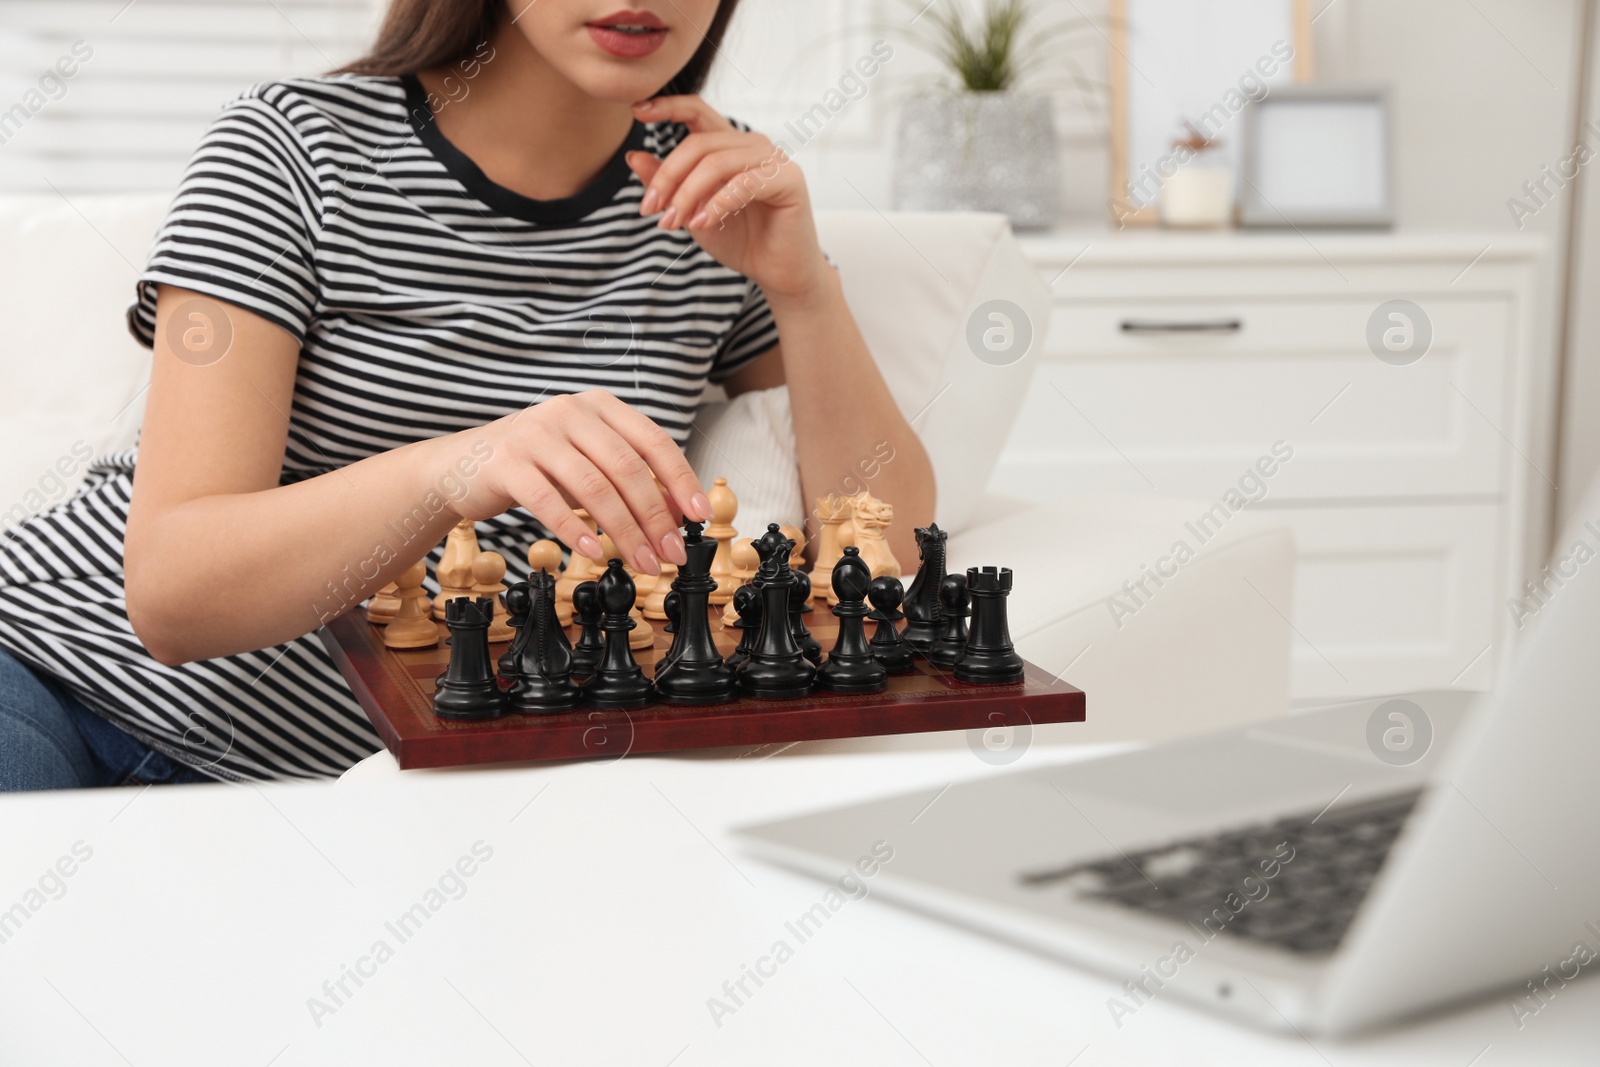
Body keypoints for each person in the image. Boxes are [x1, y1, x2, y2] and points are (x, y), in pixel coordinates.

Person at [0, 0, 934, 790]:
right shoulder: (291, 146)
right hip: (63, 681)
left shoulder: (705, 200)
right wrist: (463, 465)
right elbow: (172, 591)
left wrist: (803, 288)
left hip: (358, 794)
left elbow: (886, 545)